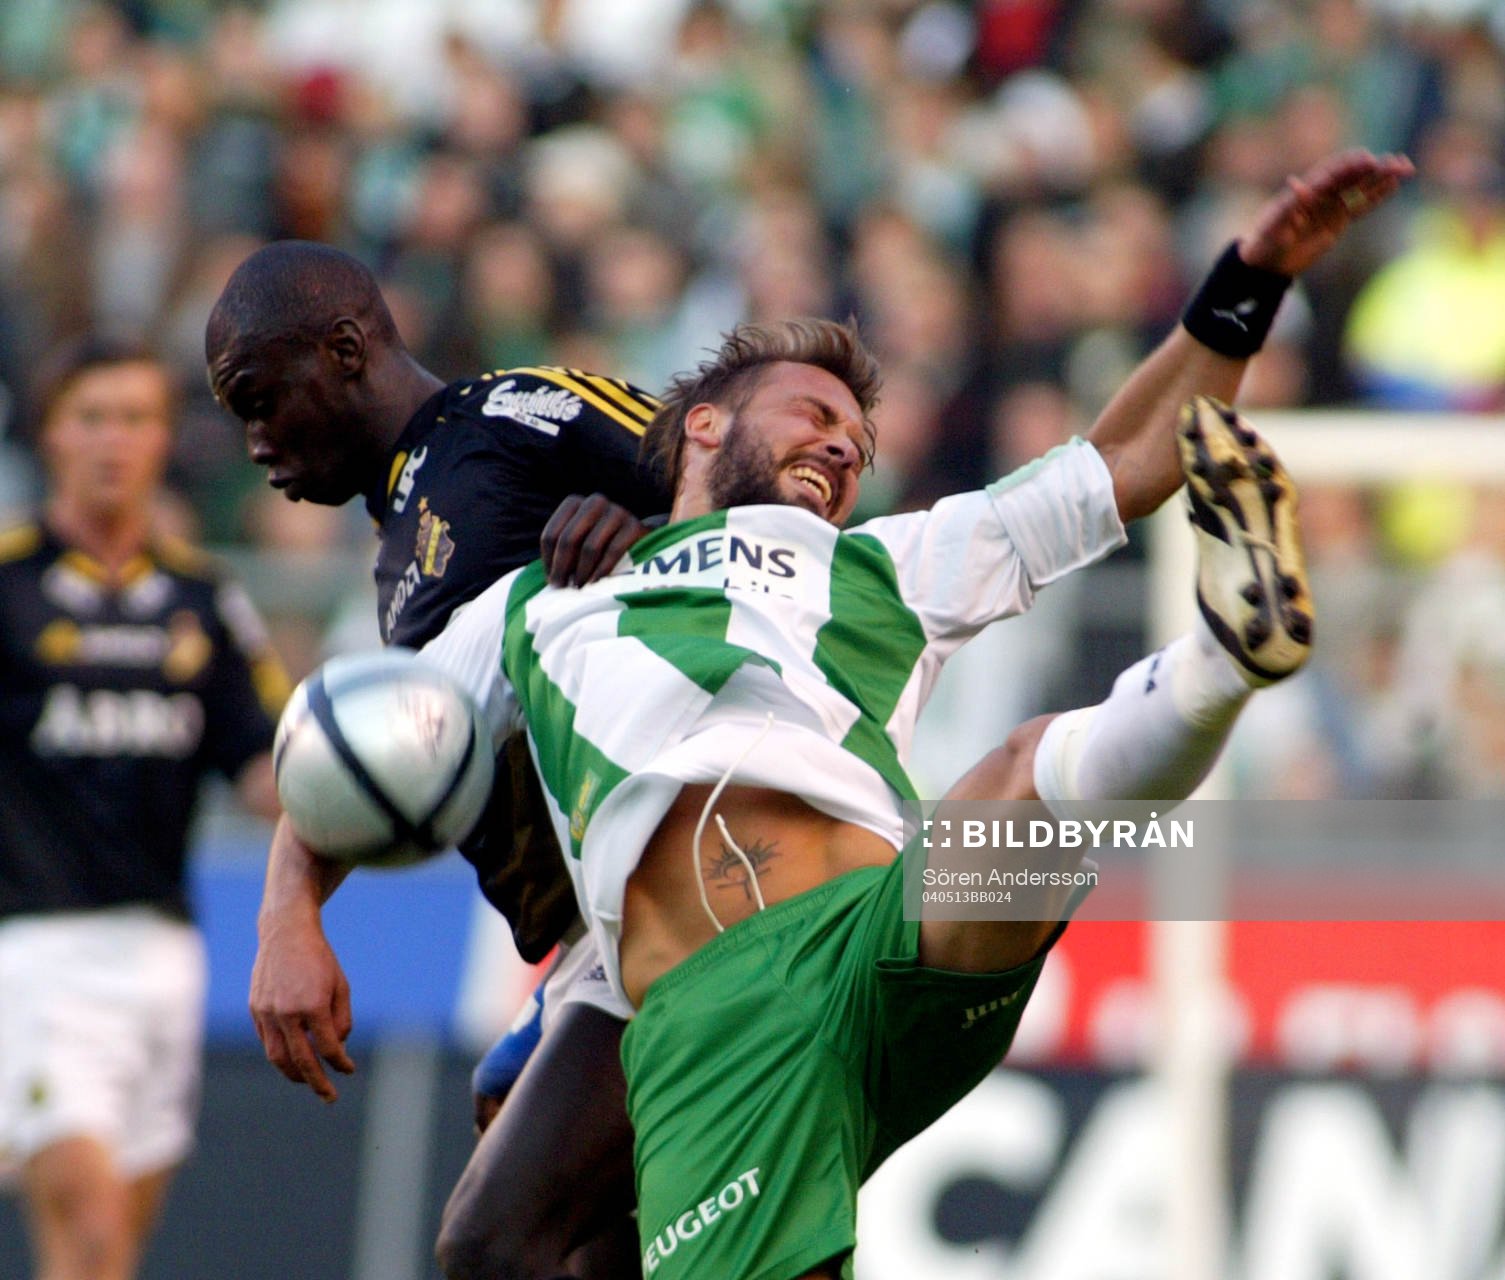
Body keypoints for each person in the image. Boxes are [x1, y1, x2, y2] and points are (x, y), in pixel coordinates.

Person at [242, 149, 1410, 1278]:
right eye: (808, 411)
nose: (841, 440)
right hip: (724, 996)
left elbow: (1127, 456)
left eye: (854, 434)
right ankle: (1210, 667)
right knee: (510, 1225)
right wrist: (289, 913)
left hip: (867, 939)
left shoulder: (881, 563)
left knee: (1014, 782)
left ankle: (1220, 657)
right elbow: (373, 735)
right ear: (699, 424)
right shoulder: (537, 609)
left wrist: (1247, 280)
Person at [203, 239, 666, 1279]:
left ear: (346, 346)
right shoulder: (402, 523)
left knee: (493, 1241)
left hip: (690, 903)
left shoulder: (512, 415)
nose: (252, 440)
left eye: (260, 397)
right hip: (590, 940)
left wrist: (650, 528)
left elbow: (767, 499)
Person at [0, 337, 287, 1280]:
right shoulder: (7, 583)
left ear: (166, 440)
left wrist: (362, 783)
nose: (112, 441)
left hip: (163, 951)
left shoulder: (203, 599)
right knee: (88, 1227)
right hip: (35, 950)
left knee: (106, 1251)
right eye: (91, 418)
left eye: (134, 418)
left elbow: (261, 762)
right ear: (49, 436)